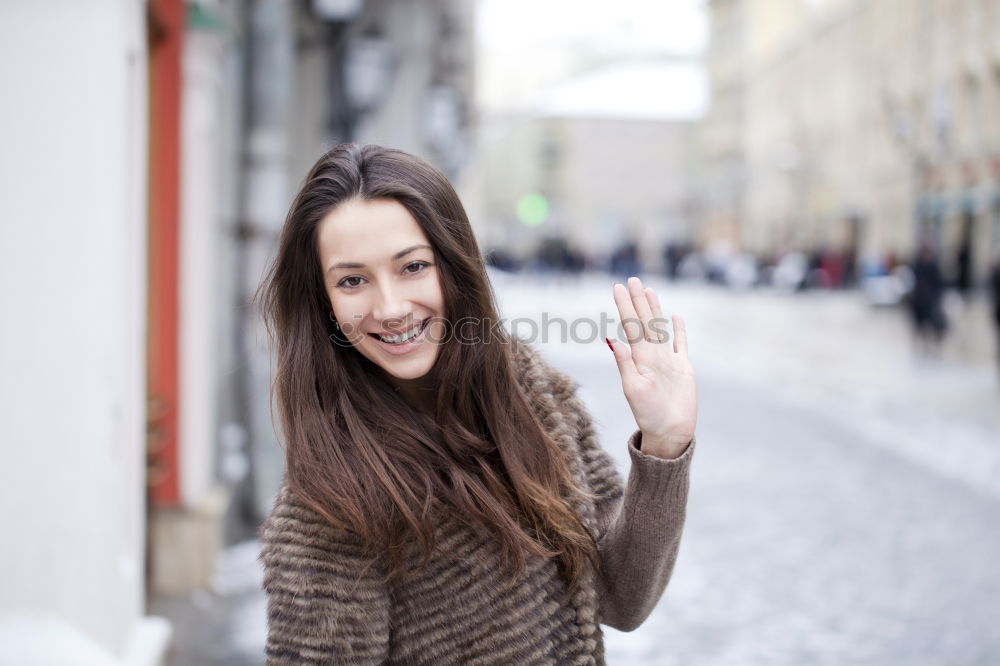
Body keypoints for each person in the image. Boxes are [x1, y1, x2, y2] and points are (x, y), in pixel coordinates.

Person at [255, 143, 698, 664]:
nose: (391, 307)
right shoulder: (330, 504)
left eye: (413, 266)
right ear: (322, 300)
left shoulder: (533, 394)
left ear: (455, 264)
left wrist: (666, 444)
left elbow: (620, 599)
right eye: (352, 280)